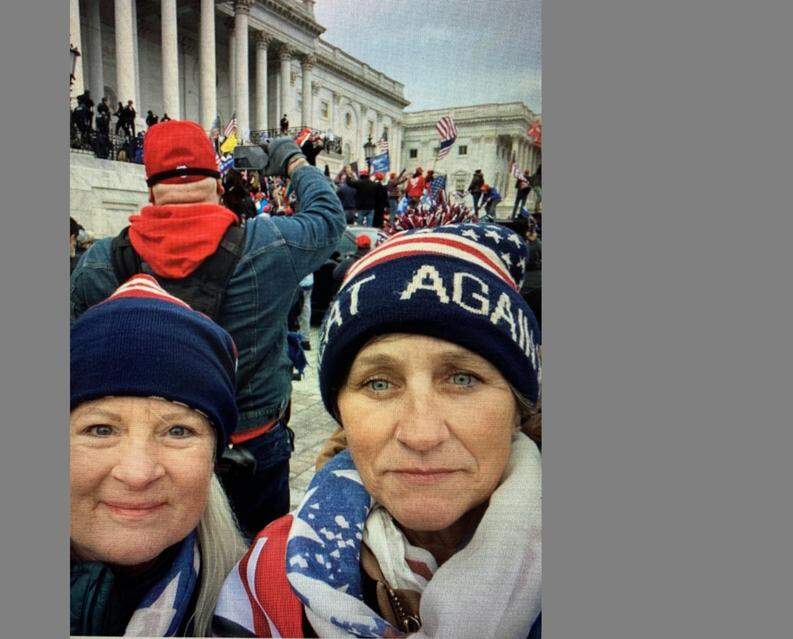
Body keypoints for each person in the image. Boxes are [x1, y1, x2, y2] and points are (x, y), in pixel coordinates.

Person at [213, 223, 542, 639]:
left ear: (518, 409)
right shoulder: (267, 578)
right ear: (342, 414)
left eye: (462, 379)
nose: (421, 434)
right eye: (379, 383)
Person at [70, 120, 345, 539]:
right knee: (255, 563)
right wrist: (292, 161)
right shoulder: (273, 243)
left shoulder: (101, 263)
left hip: (151, 457)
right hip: (252, 446)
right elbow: (328, 215)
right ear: (218, 186)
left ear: (150, 191)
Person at [70, 275, 248, 636]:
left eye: (178, 431)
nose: (138, 473)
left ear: (214, 456)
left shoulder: (263, 609)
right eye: (100, 430)